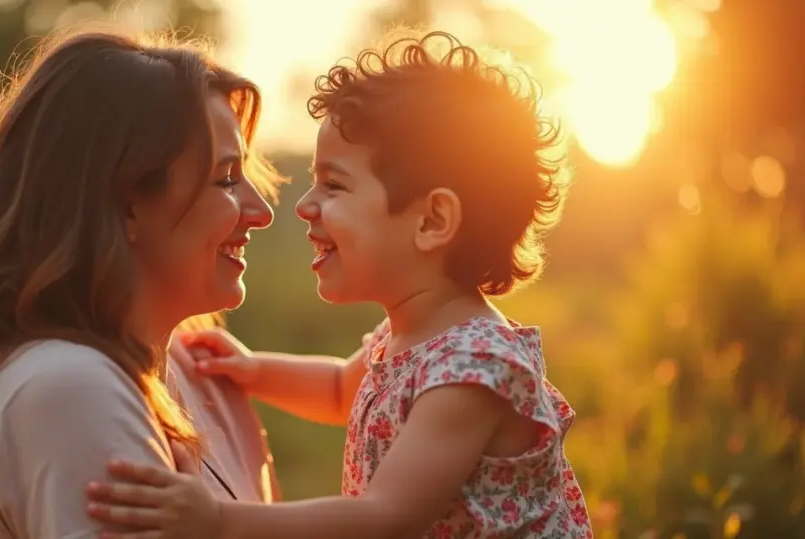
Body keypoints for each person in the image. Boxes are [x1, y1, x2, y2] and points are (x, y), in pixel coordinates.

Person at [85, 30, 593, 538]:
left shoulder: (472, 369)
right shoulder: (411, 340)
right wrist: (252, 369)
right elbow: (337, 389)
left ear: (432, 221)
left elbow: (385, 516)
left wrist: (218, 519)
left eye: (334, 185)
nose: (305, 205)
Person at [0, 25, 284, 539]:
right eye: (226, 178)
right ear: (127, 200)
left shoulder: (190, 372)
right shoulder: (70, 390)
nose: (261, 212)